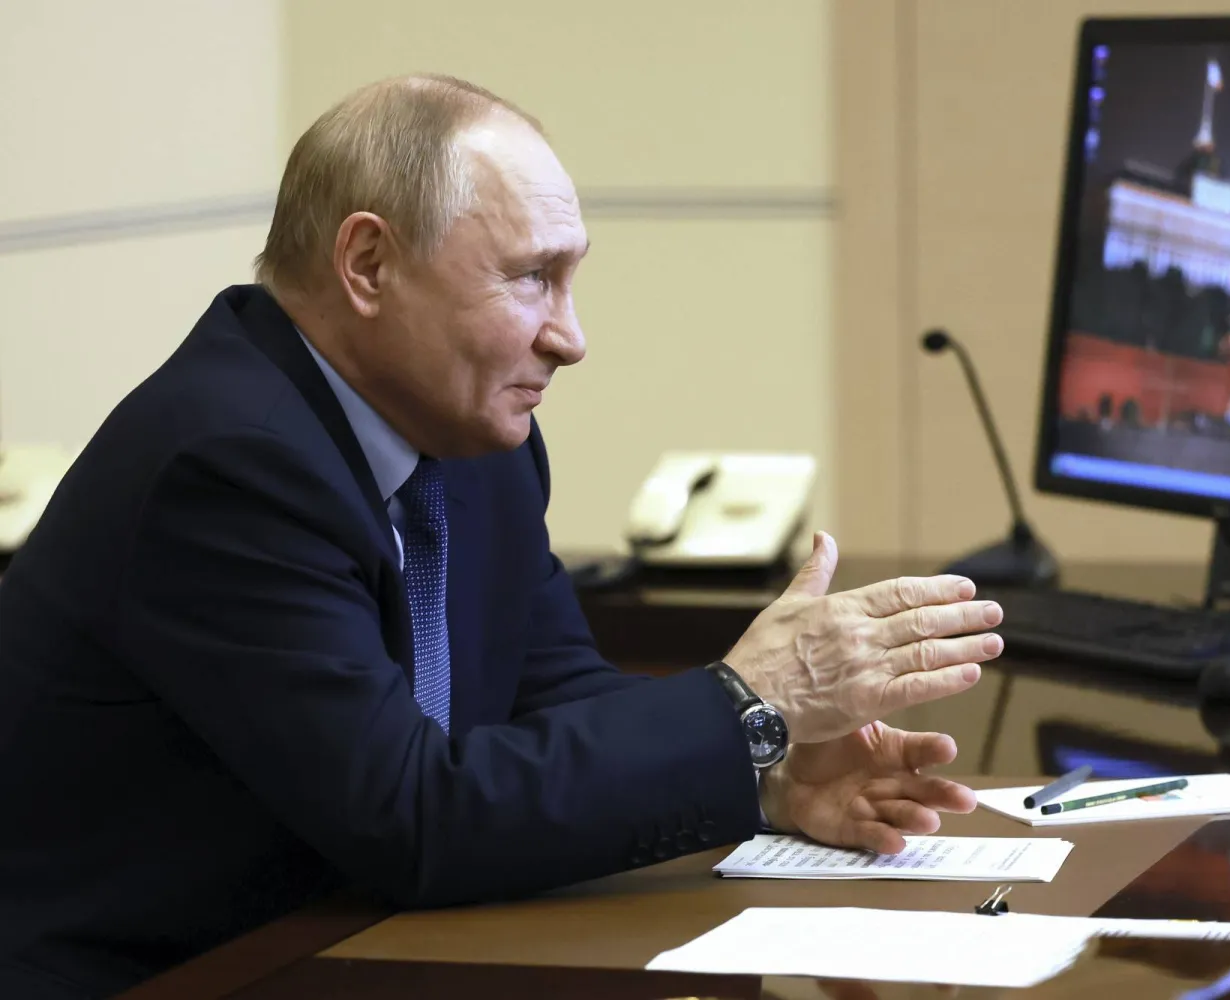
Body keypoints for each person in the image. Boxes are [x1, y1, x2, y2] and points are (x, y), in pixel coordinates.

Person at [0, 74, 1004, 999]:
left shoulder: (477, 441)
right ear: (368, 263)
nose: (571, 338)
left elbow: (556, 696)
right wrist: (748, 703)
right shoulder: (226, 465)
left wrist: (766, 770)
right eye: (533, 278)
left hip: (350, 946)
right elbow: (411, 817)